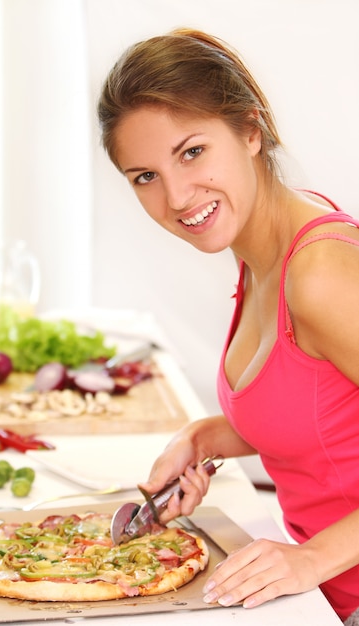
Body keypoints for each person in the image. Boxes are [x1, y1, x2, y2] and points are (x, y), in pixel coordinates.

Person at [97, 28, 359, 625]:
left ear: (250, 129)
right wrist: (206, 437)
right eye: (145, 176)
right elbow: (326, 411)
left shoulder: (321, 272)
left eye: (191, 152)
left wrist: (311, 559)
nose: (178, 196)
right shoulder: (261, 249)